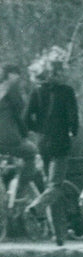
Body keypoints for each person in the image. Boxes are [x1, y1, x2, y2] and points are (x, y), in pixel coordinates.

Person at [23, 60, 79, 246]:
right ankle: (36, 206)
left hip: (42, 143)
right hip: (60, 143)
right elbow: (73, 119)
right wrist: (73, 132)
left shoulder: (37, 90)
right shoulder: (67, 91)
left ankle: (58, 236)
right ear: (58, 73)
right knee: (55, 186)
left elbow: (25, 119)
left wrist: (39, 128)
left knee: (51, 186)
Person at [0, 64, 38, 198]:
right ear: (10, 74)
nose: (19, 77)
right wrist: (26, 133)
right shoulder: (11, 87)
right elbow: (20, 113)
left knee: (9, 160)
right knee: (31, 152)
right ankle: (20, 192)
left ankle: (7, 188)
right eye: (17, 74)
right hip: (7, 138)